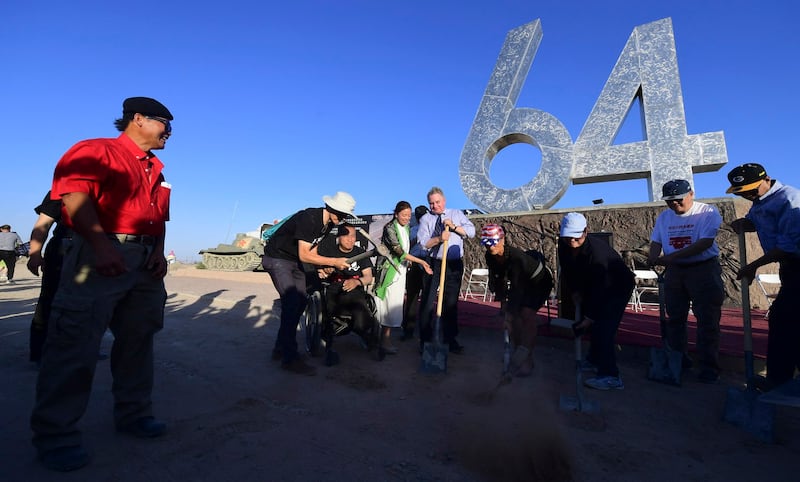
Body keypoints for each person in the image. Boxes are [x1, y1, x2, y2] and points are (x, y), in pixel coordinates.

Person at [30, 97, 174, 472]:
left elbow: (158, 217)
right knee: (74, 343)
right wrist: (98, 245)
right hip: (101, 254)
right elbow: (75, 197)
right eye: (164, 123)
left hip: (144, 264)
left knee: (138, 342)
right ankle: (56, 434)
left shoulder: (156, 169)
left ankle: (133, 414)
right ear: (137, 119)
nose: (169, 133)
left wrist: (157, 251)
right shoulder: (95, 150)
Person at [262, 192, 356, 375]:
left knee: (301, 303)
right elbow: (305, 254)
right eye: (341, 212)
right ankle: (289, 359)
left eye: (345, 214)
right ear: (330, 207)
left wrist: (322, 266)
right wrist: (334, 261)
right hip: (277, 258)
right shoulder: (310, 218)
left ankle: (281, 349)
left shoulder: (328, 225)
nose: (342, 217)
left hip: (294, 261)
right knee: (291, 303)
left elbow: (311, 251)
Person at [727, 163, 800, 391]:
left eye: (751, 190)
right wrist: (744, 224)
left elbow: (788, 244)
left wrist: (753, 266)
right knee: (785, 320)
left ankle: (779, 379)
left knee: (784, 318)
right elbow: (757, 221)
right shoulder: (759, 202)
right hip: (789, 267)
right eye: (742, 193)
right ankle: (781, 379)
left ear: (766, 179)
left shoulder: (790, 200)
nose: (748, 196)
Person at [648, 179, 724, 384]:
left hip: (703, 268)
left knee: (707, 319)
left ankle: (708, 366)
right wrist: (653, 257)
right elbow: (656, 241)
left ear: (691, 194)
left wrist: (671, 258)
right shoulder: (664, 217)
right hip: (675, 272)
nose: (674, 204)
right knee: (675, 318)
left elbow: (704, 242)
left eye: (678, 200)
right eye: (669, 201)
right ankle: (678, 359)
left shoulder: (707, 212)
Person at [558, 212, 635, 390]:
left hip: (616, 287)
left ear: (585, 231)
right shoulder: (563, 246)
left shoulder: (598, 254)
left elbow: (602, 290)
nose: (572, 243)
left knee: (603, 328)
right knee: (594, 326)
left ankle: (611, 376)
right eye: (568, 238)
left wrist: (589, 318)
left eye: (576, 238)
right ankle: (593, 360)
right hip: (592, 285)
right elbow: (568, 271)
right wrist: (575, 291)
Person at [481, 224, 553, 376]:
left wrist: (508, 315)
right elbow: (499, 279)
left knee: (526, 314)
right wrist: (503, 307)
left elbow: (517, 290)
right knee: (513, 319)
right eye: (486, 243)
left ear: (502, 239)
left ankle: (527, 359)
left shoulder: (516, 258)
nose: (490, 246)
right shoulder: (490, 256)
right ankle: (517, 352)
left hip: (538, 282)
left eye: (493, 242)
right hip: (520, 283)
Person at [417, 187, 476, 354]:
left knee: (450, 303)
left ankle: (449, 339)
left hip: (453, 264)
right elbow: (423, 243)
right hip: (434, 263)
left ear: (444, 201)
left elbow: (471, 232)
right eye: (431, 203)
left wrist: (454, 227)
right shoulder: (426, 219)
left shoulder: (456, 213)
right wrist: (438, 239)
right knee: (428, 302)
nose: (435, 206)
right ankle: (425, 341)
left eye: (437, 202)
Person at [374, 202, 432, 353]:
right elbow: (399, 251)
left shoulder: (406, 228)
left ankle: (385, 339)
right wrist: (421, 262)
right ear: (396, 214)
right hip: (389, 271)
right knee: (387, 304)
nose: (406, 218)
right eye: (404, 215)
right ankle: (382, 340)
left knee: (395, 306)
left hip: (401, 270)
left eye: (408, 215)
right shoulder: (390, 228)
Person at [318, 224, 381, 354]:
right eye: (346, 235)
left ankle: (361, 329)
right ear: (339, 237)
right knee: (328, 309)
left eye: (353, 236)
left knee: (359, 305)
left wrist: (357, 281)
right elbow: (321, 272)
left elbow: (368, 277)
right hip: (334, 290)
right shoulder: (330, 253)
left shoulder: (360, 253)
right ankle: (330, 338)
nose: (350, 239)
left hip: (356, 290)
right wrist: (326, 269)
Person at [27, 191, 71, 364]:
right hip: (64, 247)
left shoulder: (108, 188)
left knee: (88, 304)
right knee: (50, 301)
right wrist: (35, 253)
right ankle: (40, 352)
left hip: (95, 251)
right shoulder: (62, 190)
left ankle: (78, 348)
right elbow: (44, 223)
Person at [400, 205, 429, 341]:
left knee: (427, 299)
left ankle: (426, 331)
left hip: (428, 263)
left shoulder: (433, 229)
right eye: (420, 216)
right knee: (412, 298)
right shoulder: (411, 231)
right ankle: (408, 330)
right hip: (414, 264)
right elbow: (406, 249)